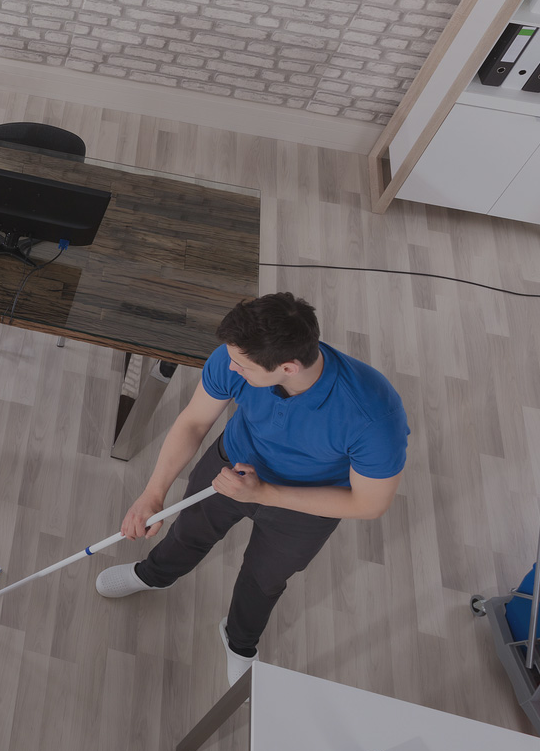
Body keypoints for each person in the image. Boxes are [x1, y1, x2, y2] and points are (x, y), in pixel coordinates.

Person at [97, 293, 409, 683]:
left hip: (306, 505)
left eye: (242, 367)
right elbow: (194, 422)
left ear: (288, 367)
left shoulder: (372, 415)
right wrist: (152, 494)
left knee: (265, 579)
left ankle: (239, 640)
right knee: (189, 532)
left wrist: (263, 494)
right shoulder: (237, 357)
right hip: (230, 465)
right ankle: (152, 575)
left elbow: (370, 503)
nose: (231, 368)